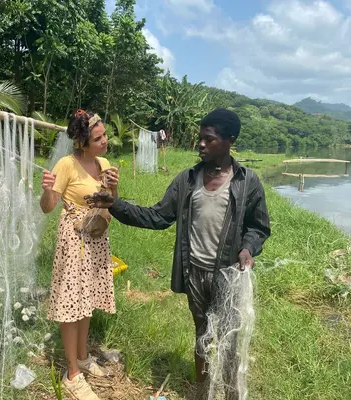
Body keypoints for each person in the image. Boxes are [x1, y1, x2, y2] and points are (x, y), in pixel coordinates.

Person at [85, 108, 271, 399]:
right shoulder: (187, 179)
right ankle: (203, 392)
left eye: (209, 140)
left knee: (230, 343)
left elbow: (258, 227)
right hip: (195, 273)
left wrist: (247, 249)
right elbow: (157, 216)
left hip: (228, 277)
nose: (201, 145)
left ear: (229, 140)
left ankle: (232, 394)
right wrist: (115, 204)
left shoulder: (247, 182)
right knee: (202, 337)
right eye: (200, 138)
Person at [40, 109, 119, 400]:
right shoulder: (67, 165)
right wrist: (47, 191)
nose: (105, 142)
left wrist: (114, 186)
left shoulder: (105, 163)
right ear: (82, 142)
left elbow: (113, 203)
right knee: (70, 303)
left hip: (97, 238)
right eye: (98, 139)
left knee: (87, 299)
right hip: (74, 242)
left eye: (105, 135)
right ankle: (72, 373)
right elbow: (47, 207)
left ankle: (83, 357)